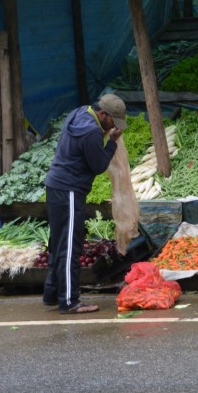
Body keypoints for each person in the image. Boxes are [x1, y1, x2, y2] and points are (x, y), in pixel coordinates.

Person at [42, 94, 126, 314]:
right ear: (103, 114)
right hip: (69, 190)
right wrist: (112, 143)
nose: (114, 126)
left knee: (58, 241)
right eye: (113, 121)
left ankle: (52, 292)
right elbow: (98, 166)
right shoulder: (91, 132)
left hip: (55, 184)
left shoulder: (79, 113)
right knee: (70, 244)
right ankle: (69, 301)